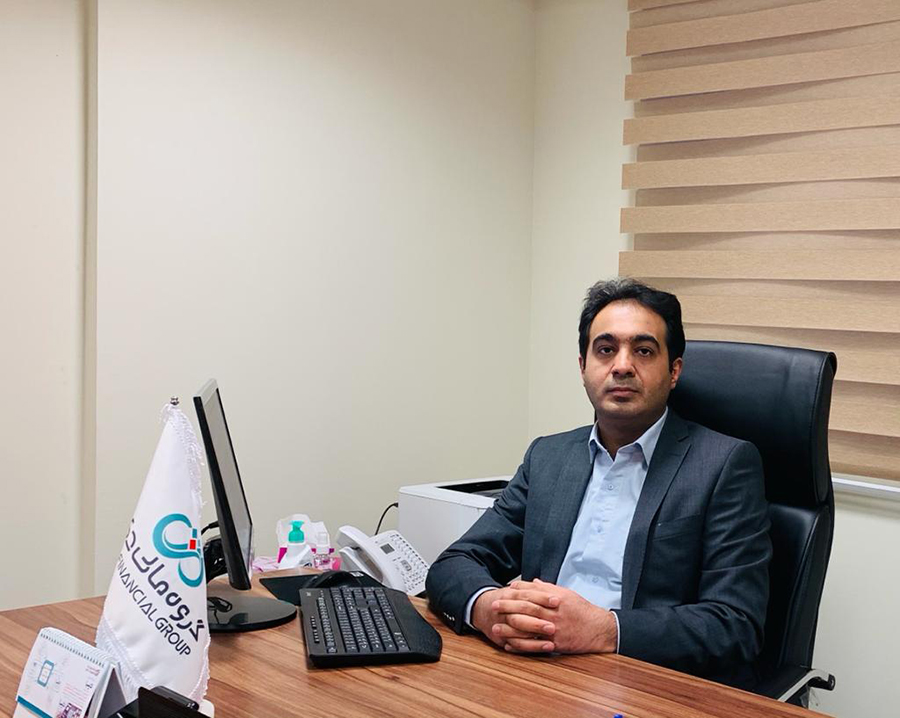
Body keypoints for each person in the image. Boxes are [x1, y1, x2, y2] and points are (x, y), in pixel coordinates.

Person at [425, 278, 771, 688]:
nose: (622, 366)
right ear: (583, 367)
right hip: (534, 671)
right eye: (605, 349)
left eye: (643, 351)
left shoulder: (724, 464)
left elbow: (736, 624)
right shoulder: (548, 456)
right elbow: (454, 563)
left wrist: (606, 630)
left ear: (674, 371)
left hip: (643, 682)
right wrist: (489, 608)